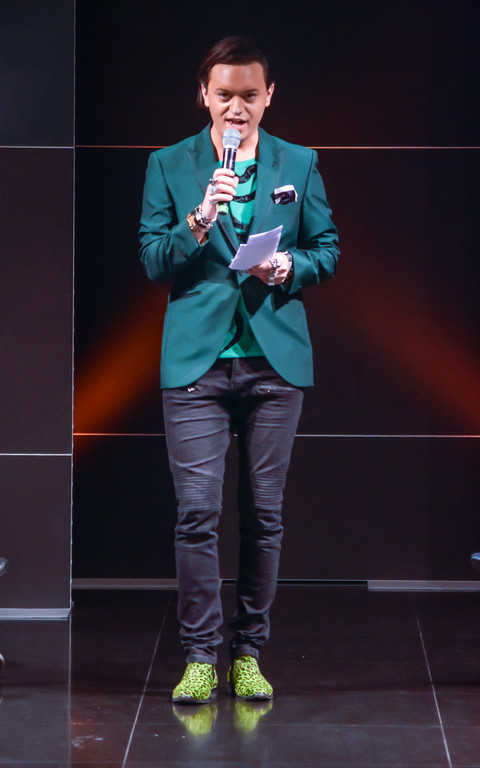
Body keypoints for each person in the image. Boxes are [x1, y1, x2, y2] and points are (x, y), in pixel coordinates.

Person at [139, 36, 339, 704]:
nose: (236, 108)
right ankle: (200, 658)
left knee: (264, 515)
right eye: (224, 95)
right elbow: (153, 259)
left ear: (268, 96)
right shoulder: (170, 164)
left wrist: (286, 266)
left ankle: (248, 653)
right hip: (197, 367)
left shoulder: (298, 162)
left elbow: (326, 249)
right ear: (205, 95)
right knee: (197, 515)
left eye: (249, 95)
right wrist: (201, 217)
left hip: (273, 367)